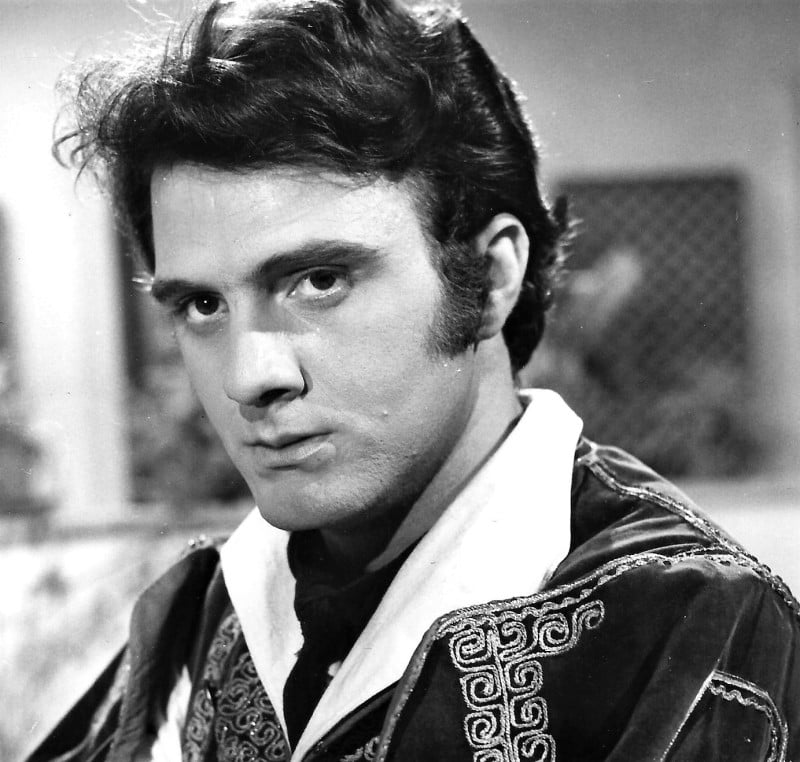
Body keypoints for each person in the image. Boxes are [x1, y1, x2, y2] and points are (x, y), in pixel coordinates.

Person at [29, 1, 799, 760]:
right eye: (202, 305)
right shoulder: (209, 610)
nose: (249, 376)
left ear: (491, 276)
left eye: (321, 280)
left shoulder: (687, 617)